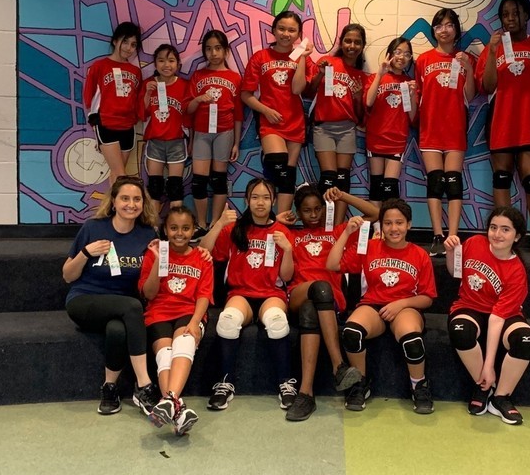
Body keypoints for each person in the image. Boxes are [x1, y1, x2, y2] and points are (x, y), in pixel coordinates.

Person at [277, 183, 379, 421]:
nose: (313, 215)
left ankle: (306, 394)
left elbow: (374, 214)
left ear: (324, 209)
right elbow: (256, 226)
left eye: (317, 209)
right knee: (319, 288)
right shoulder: (292, 234)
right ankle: (338, 365)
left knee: (312, 307)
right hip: (299, 293)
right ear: (298, 212)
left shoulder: (337, 232)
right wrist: (276, 219)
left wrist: (343, 196)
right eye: (306, 210)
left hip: (329, 302)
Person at [327, 198, 438, 414]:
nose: (394, 228)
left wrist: (401, 304)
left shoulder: (419, 254)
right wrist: (346, 233)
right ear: (381, 225)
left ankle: (419, 386)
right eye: (388, 223)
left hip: (405, 307)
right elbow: (332, 264)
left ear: (409, 225)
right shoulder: (369, 247)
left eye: (399, 223)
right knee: (351, 332)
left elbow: (427, 298)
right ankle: (360, 383)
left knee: (412, 339)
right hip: (373, 306)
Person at [62, 176, 158, 416]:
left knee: (117, 330)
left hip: (122, 308)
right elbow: (68, 275)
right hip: (85, 301)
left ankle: (109, 388)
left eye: (137, 199)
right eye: (125, 198)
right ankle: (144, 385)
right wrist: (86, 252)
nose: (131, 204)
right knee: (133, 307)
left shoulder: (147, 234)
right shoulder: (93, 228)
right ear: (113, 202)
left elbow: (151, 283)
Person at [198, 178, 296, 411]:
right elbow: (203, 250)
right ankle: (225, 383)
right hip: (240, 293)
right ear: (246, 200)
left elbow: (287, 276)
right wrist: (219, 224)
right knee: (228, 320)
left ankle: (285, 382)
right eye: (255, 197)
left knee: (276, 321)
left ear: (274, 201)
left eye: (266, 198)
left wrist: (288, 250)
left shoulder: (282, 232)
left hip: (271, 293)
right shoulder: (234, 229)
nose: (260, 203)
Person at [476, 0, 530, 257]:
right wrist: (491, 52)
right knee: (501, 178)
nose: (510, 19)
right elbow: (487, 86)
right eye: (505, 14)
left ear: (527, 15)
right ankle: (504, 235)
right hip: (502, 121)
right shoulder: (494, 47)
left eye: (515, 13)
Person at [443, 206, 530, 425]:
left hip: (503, 316)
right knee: (460, 330)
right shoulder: (474, 243)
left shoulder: (516, 271)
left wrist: (489, 365)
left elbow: (496, 318)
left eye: (505, 229)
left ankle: (500, 397)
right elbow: (455, 272)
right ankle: (484, 387)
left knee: (525, 339)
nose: (497, 234)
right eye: (493, 227)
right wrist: (450, 252)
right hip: (469, 307)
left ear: (517, 236)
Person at [139, 206, 213, 435]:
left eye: (185, 228)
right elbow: (149, 294)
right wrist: (158, 261)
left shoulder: (202, 257)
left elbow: (204, 295)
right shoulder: (154, 253)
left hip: (189, 313)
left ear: (193, 230)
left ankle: (169, 400)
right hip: (159, 313)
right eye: (173, 228)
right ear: (165, 230)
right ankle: (176, 410)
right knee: (165, 354)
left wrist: (195, 322)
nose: (179, 233)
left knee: (184, 342)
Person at [415, 9, 477, 257]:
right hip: (430, 130)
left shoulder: (465, 59)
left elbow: (470, 95)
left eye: (449, 25)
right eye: (439, 25)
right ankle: (437, 235)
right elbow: (419, 96)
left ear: (456, 30)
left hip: (454, 130)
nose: (444, 30)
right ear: (433, 30)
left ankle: (453, 236)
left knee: (453, 183)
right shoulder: (423, 60)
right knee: (435, 182)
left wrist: (468, 69)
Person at [241, 11, 316, 214]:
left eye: (292, 30)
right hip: (271, 122)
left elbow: (297, 89)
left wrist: (302, 57)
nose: (286, 34)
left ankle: (281, 222)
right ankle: (263, 216)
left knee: (288, 175)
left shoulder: (303, 59)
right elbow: (246, 95)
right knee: (277, 163)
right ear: (274, 30)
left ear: (299, 34)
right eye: (281, 28)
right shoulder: (260, 57)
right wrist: (266, 111)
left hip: (295, 121)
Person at [305, 24, 367, 224]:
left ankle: (338, 227)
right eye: (348, 41)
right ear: (341, 42)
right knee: (328, 177)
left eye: (357, 42)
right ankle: (323, 225)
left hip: (347, 129)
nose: (352, 46)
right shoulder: (328, 62)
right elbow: (308, 92)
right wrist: (320, 74)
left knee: (342, 179)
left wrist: (358, 97)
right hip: (324, 127)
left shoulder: (361, 76)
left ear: (362, 46)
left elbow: (360, 117)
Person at [187, 30, 243, 234]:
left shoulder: (234, 77)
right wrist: (198, 100)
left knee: (219, 180)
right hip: (201, 133)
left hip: (224, 132)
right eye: (209, 49)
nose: (214, 53)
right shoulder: (198, 76)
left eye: (218, 48)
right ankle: (201, 224)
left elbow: (238, 114)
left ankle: (215, 225)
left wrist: (236, 142)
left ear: (226, 50)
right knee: (199, 182)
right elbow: (189, 111)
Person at [83, 22, 143, 184]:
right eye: (125, 42)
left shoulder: (135, 71)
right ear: (115, 41)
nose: (128, 48)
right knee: (121, 175)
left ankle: (111, 201)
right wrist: (95, 120)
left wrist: (135, 117)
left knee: (117, 174)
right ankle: (117, 201)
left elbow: (136, 99)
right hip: (106, 123)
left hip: (127, 126)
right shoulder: (99, 66)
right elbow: (89, 95)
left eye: (133, 45)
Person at [364, 36, 417, 208]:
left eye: (407, 54)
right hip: (376, 139)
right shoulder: (375, 77)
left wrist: (412, 95)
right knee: (376, 186)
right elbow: (368, 102)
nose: (402, 57)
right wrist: (380, 74)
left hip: (396, 141)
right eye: (398, 52)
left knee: (390, 189)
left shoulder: (409, 83)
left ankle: (389, 223)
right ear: (389, 54)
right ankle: (376, 223)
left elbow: (412, 117)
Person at [140, 44, 192, 216]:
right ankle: (153, 226)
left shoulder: (184, 85)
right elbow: (142, 114)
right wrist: (147, 94)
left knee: (175, 187)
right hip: (155, 141)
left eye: (171, 61)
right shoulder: (148, 84)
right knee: (155, 186)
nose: (166, 65)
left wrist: (191, 141)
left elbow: (189, 117)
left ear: (178, 64)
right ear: (155, 64)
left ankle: (176, 227)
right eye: (161, 60)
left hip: (176, 141)